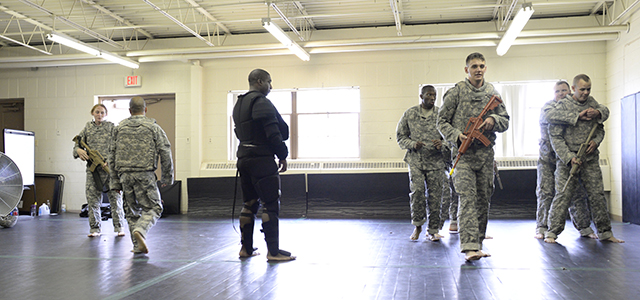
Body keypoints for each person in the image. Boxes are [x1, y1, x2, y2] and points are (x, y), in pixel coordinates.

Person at [437, 52, 510, 261]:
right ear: (466, 69)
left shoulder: (492, 93)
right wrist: (456, 136)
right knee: (467, 198)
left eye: (482, 66)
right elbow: (441, 122)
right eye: (474, 66)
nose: (478, 69)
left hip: (486, 155)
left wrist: (493, 120)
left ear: (485, 68)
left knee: (483, 198)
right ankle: (469, 247)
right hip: (464, 154)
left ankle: (477, 243)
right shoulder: (456, 92)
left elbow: (505, 120)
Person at [544, 74, 623, 244]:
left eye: (588, 89)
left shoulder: (594, 105)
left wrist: (596, 141)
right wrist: (568, 157)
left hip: (590, 159)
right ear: (573, 89)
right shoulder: (563, 106)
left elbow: (600, 129)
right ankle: (552, 232)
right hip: (568, 160)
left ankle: (605, 232)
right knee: (563, 195)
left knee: (597, 195)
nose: (586, 92)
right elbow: (555, 137)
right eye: (582, 89)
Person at [233, 68, 295, 261]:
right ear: (259, 81)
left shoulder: (239, 103)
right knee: (270, 204)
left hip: (243, 159)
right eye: (269, 81)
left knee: (249, 203)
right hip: (261, 159)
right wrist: (282, 155)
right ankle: (274, 252)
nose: (271, 86)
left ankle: (246, 249)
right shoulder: (261, 102)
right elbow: (274, 133)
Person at [535, 81, 606, 239]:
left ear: (570, 91)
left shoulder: (574, 106)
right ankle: (542, 227)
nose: (561, 94)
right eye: (558, 91)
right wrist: (576, 115)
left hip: (569, 156)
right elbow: (550, 117)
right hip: (549, 157)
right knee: (545, 192)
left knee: (576, 192)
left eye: (564, 91)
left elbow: (601, 113)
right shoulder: (550, 108)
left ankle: (584, 227)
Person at [108, 97, 174, 254]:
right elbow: (165, 151)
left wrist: (115, 183)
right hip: (145, 175)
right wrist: (167, 177)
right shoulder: (153, 127)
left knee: (131, 212)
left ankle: (137, 245)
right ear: (145, 110)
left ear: (130, 111)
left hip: (124, 175)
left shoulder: (118, 128)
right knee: (155, 207)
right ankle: (141, 230)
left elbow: (111, 155)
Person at [396, 85, 445, 242]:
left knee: (436, 196)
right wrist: (412, 144)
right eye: (429, 95)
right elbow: (400, 136)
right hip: (416, 161)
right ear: (421, 96)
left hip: (436, 162)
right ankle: (417, 226)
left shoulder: (441, 115)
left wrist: (442, 144)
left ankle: (433, 230)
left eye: (434, 95)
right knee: (417, 193)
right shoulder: (410, 114)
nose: (432, 98)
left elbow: (452, 137)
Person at [74, 104, 125, 237]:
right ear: (92, 113)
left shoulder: (111, 127)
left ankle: (119, 227)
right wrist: (78, 150)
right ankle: (95, 228)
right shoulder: (87, 128)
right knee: (93, 200)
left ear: (106, 114)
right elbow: (77, 144)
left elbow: (120, 144)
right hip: (93, 170)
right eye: (97, 112)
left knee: (116, 199)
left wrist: (111, 159)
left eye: (102, 113)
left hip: (109, 169)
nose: (100, 115)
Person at [439, 143, 459, 233]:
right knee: (444, 193)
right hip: (441, 160)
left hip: (459, 157)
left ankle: (454, 221)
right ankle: (435, 227)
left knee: (457, 190)